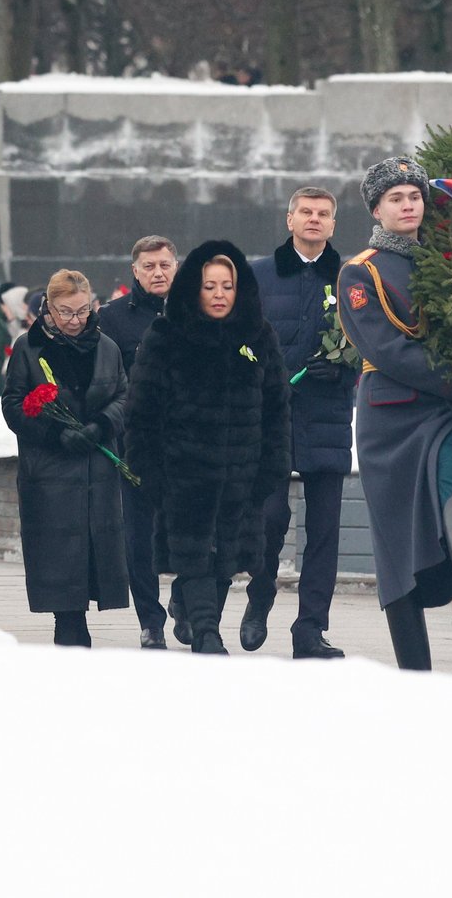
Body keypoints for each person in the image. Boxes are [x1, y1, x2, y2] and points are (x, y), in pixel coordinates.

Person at [336, 158, 452, 672]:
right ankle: (413, 669)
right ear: (377, 210)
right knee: (394, 546)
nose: (408, 205)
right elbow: (386, 349)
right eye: (396, 199)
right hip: (391, 416)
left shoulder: (449, 261)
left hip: (442, 408)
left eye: (415, 196)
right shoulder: (362, 270)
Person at [126, 241, 290, 654]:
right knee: (194, 551)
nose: (219, 294)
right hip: (184, 472)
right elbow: (141, 410)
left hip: (242, 472)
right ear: (193, 289)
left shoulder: (259, 336)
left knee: (226, 559)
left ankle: (193, 611)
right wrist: (149, 470)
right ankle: (206, 632)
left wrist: (271, 466)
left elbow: (277, 407)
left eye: (227, 286)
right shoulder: (166, 335)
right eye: (209, 286)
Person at [242, 187, 353, 659]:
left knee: (324, 530)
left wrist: (345, 365)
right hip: (272, 417)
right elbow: (237, 341)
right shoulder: (258, 276)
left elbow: (372, 342)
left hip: (326, 416)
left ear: (332, 224)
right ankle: (260, 593)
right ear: (290, 220)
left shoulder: (353, 279)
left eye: (323, 214)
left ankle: (310, 628)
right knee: (269, 518)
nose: (313, 220)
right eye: (305, 212)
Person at [1, 270, 131, 646]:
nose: (75, 321)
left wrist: (102, 426)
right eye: (65, 313)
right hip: (49, 468)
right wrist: (56, 433)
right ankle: (67, 620)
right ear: (49, 310)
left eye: (81, 312)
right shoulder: (29, 347)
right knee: (58, 551)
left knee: (94, 547)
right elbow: (13, 405)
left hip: (96, 465)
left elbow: (123, 395)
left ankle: (80, 618)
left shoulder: (106, 347)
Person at [98, 234, 180, 647]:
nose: (158, 272)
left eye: (164, 264)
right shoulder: (111, 318)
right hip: (136, 445)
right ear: (135, 271)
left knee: (196, 527)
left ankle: (187, 600)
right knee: (140, 537)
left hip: (190, 443)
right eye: (149, 266)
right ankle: (151, 619)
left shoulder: (198, 311)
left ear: (176, 266)